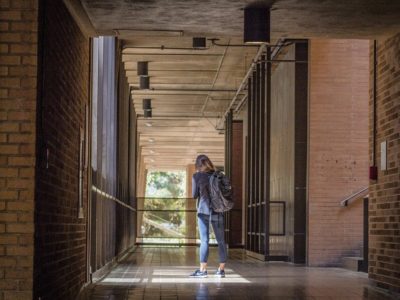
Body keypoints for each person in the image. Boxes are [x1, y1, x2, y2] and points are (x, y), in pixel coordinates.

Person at [189, 154, 227, 278]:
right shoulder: (218, 175)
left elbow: (194, 195)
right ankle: (221, 270)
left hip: (203, 211)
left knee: (204, 240)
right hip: (218, 210)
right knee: (221, 241)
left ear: (197, 165)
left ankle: (203, 270)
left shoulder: (197, 176)